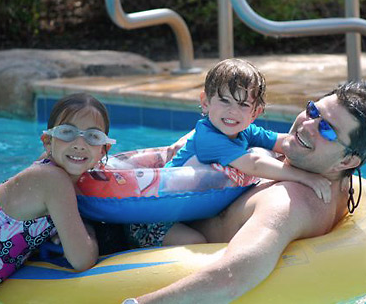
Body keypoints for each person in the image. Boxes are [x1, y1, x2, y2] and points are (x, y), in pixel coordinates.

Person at [122, 80, 366, 304]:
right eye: (312, 111)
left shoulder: (288, 201)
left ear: (347, 162)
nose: (307, 125)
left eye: (327, 129)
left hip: (135, 238)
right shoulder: (329, 175)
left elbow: (232, 277)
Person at [126, 59, 332, 247]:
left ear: (256, 112)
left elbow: (281, 142)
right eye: (225, 101)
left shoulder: (244, 130)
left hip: (183, 212)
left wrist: (313, 152)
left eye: (243, 105)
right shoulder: (209, 137)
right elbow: (254, 164)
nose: (232, 112)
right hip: (154, 217)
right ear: (206, 103)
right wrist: (306, 177)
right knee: (195, 241)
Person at [0, 93, 114, 303]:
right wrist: (90, 230)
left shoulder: (49, 168)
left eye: (92, 136)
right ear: (48, 141)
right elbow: (82, 260)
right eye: (67, 133)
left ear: (104, 149)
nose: (79, 144)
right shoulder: (54, 180)